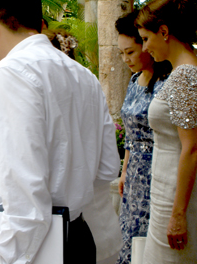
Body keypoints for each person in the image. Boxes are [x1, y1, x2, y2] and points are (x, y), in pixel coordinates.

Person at [0, 0, 120, 264]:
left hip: (39, 246)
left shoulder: (12, 71)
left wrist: (6, 258)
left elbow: (23, 190)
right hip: (80, 232)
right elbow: (107, 168)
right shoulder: (84, 76)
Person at [135, 0, 197, 263]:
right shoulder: (193, 71)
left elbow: (193, 148)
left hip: (178, 195)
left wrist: (179, 213)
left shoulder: (186, 76)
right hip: (177, 188)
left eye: (146, 39)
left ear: (164, 31)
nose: (145, 48)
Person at [45, 28, 122, 264]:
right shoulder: (90, 81)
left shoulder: (40, 93)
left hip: (61, 232)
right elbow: (110, 166)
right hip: (103, 226)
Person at [115, 11, 170, 264]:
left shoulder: (166, 82)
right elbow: (129, 134)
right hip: (134, 174)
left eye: (130, 52)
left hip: (157, 168)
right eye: (121, 53)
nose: (126, 59)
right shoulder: (135, 80)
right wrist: (125, 170)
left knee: (150, 240)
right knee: (130, 237)